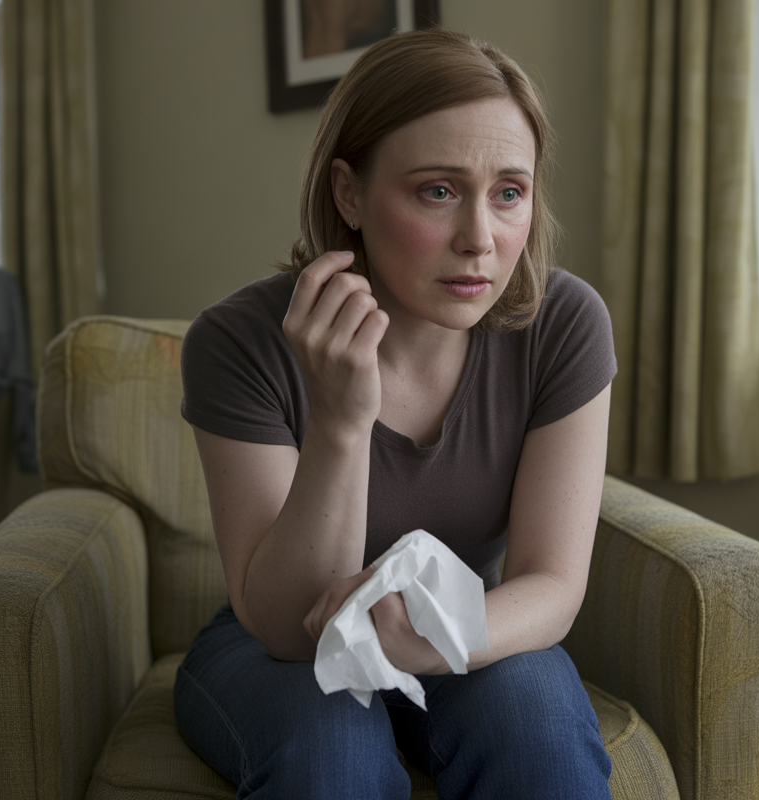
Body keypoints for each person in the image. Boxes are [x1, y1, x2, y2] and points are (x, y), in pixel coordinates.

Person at [175, 27, 617, 800]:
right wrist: (342, 424)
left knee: (539, 729)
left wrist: (436, 643)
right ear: (349, 193)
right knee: (331, 756)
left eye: (509, 192)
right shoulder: (238, 340)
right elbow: (283, 626)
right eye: (437, 191)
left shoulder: (564, 323)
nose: (480, 239)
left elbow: (552, 582)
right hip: (271, 652)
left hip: (461, 625)